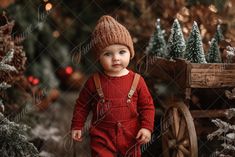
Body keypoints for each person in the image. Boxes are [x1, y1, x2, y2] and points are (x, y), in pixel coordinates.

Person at [71, 15, 155, 157]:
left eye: (122, 52)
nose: (116, 58)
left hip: (131, 135)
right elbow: (82, 105)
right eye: (108, 54)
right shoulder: (94, 81)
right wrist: (77, 125)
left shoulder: (137, 80)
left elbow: (147, 106)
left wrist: (146, 128)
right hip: (101, 136)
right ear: (99, 57)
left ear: (130, 53)